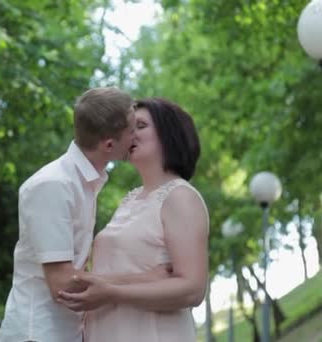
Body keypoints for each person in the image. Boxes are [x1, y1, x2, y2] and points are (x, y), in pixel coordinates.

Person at [0, 87, 170, 342]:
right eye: (133, 129)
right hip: (38, 335)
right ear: (110, 144)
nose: (137, 135)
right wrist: (147, 279)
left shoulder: (83, 183)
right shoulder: (54, 185)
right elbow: (62, 284)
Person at [58, 98, 210, 342]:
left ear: (169, 132)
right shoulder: (129, 200)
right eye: (128, 128)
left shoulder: (180, 197)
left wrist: (112, 293)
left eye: (140, 126)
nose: (129, 134)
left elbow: (193, 289)